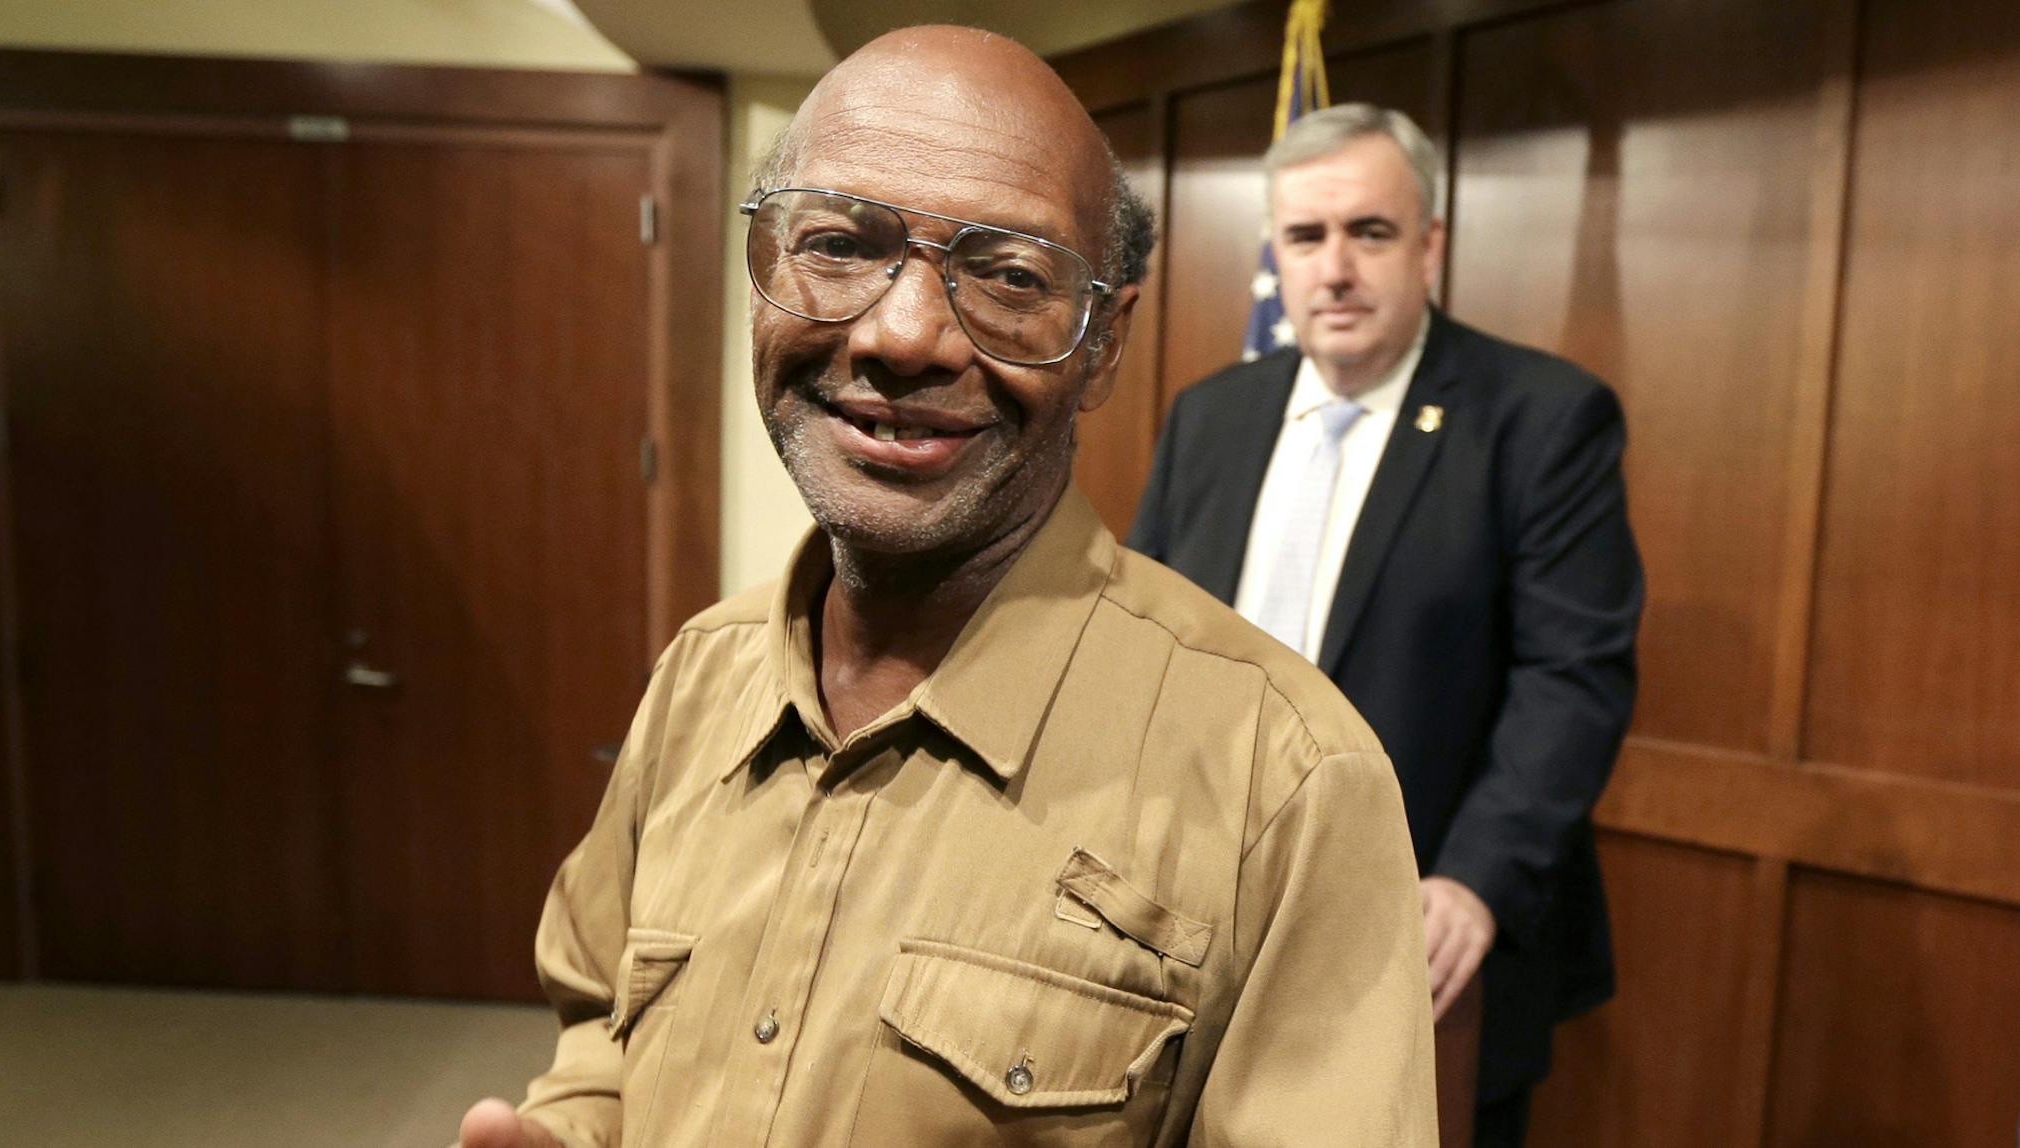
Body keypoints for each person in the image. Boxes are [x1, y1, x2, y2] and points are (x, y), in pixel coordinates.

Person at [453, 31, 1437, 1148]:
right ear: (764, 267)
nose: (902, 334)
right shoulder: (700, 674)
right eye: (837, 242)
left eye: (1011, 275)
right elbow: (600, 1027)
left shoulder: (1292, 782)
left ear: (1101, 344)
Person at [1127, 103, 1644, 1146]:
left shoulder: (1541, 417)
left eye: (1370, 232)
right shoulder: (1210, 417)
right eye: (1306, 238)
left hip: (1425, 942)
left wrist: (1474, 881)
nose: (1336, 269)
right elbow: (1147, 643)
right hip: (1203, 938)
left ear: (1430, 246)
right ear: (1276, 253)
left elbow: (1573, 674)